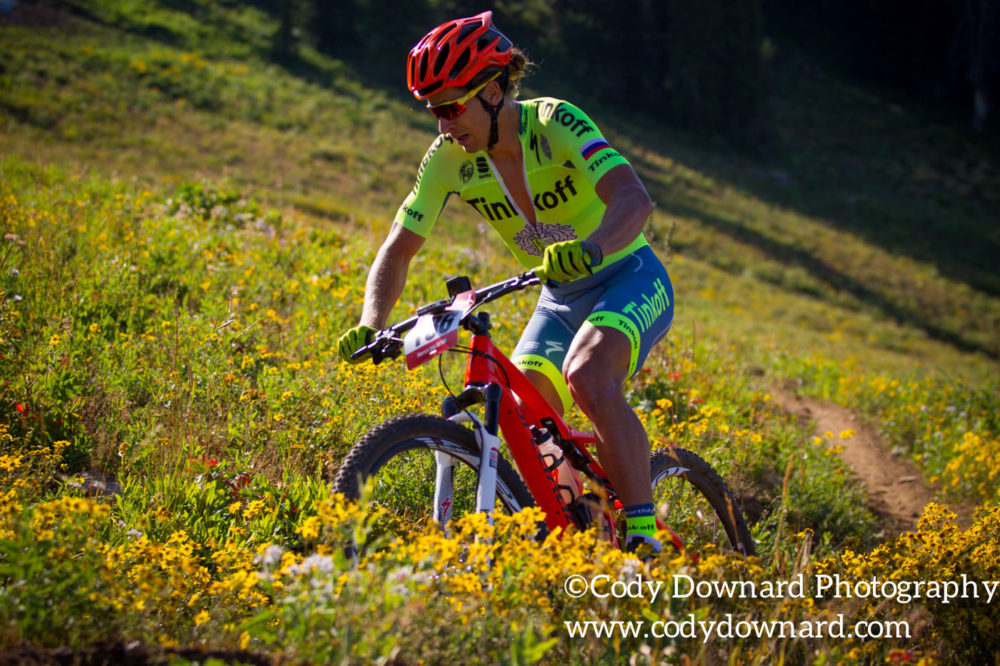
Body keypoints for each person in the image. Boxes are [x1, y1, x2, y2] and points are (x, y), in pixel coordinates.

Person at [337, 11, 674, 552]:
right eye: (433, 112)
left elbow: (634, 199)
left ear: (493, 91)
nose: (444, 125)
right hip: (560, 294)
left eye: (452, 107)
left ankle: (641, 534)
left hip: (627, 274)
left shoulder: (555, 122)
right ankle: (583, 531)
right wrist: (371, 323)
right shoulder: (447, 158)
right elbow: (398, 249)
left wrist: (592, 248)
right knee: (524, 413)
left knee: (587, 376)